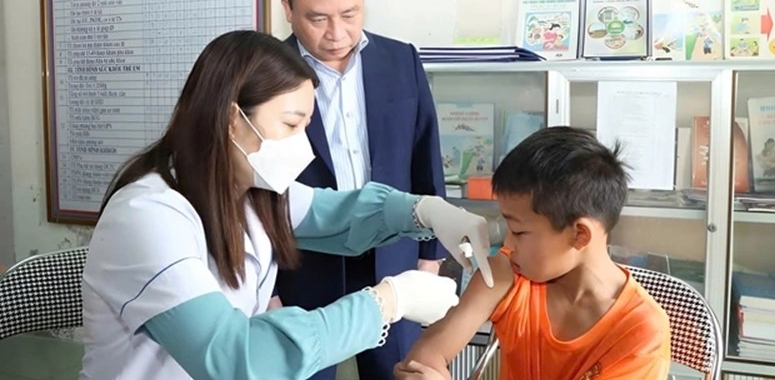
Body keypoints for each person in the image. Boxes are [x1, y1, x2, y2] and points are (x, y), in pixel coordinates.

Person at [80, 31, 494, 380]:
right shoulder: (148, 217)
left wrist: (423, 212)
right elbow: (236, 358)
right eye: (291, 124)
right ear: (232, 119)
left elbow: (340, 214)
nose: (302, 146)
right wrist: (388, 301)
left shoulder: (247, 191)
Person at [274, 0, 449, 380]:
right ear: (287, 9)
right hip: (303, 268)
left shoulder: (399, 60)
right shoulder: (262, 73)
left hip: (393, 260)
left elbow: (424, 159)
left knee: (397, 374)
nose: (337, 33)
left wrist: (429, 257)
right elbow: (253, 190)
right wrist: (266, 288)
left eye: (350, 14)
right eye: (317, 19)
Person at [395, 126, 671, 380]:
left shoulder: (641, 332)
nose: (508, 244)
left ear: (579, 235)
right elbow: (424, 359)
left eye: (520, 231)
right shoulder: (508, 273)